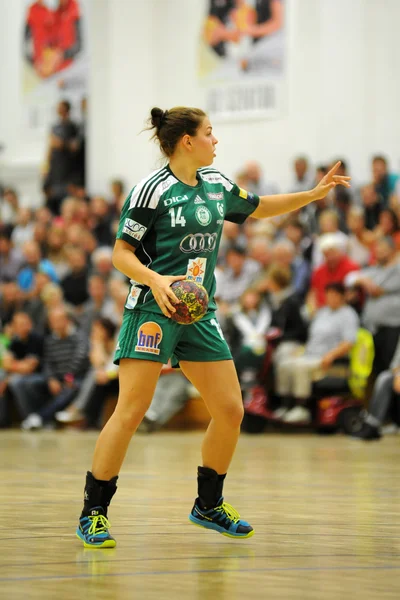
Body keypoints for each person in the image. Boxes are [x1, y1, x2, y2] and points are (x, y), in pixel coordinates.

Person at [75, 105, 351, 548]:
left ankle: (208, 505)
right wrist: (156, 279)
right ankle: (94, 513)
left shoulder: (218, 185)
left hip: (199, 314)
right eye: (209, 132)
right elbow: (121, 254)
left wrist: (312, 195)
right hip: (151, 309)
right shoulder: (151, 191)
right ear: (187, 140)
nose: (215, 140)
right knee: (130, 411)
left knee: (230, 410)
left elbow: (259, 207)